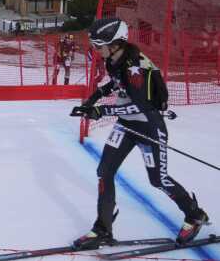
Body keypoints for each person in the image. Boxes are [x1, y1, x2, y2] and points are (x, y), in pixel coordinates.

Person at [70, 17, 210, 248]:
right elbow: (117, 82)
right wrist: (94, 98)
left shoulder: (135, 67)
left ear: (114, 44)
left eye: (98, 45)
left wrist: (101, 109)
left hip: (148, 126)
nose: (95, 49)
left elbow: (141, 106)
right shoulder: (114, 60)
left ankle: (194, 215)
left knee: (158, 179)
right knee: (104, 171)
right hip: (126, 126)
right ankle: (103, 228)